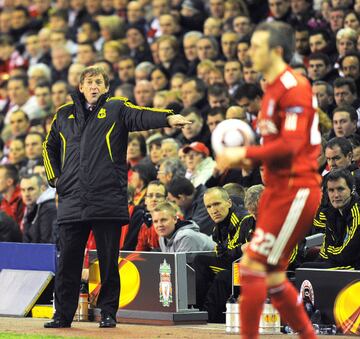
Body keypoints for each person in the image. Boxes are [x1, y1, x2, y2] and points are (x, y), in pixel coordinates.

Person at [42, 66, 190, 329]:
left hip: (106, 197)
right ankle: (62, 314)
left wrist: (168, 118)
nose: (93, 86)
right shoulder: (63, 114)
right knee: (68, 262)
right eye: (88, 82)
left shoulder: (117, 108)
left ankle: (108, 312)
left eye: (98, 82)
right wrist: (56, 179)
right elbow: (48, 146)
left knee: (109, 260)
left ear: (106, 87)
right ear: (80, 87)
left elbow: (141, 116)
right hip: (72, 199)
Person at [216, 22, 321, 339]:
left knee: (250, 267)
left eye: (257, 46)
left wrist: (242, 153)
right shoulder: (271, 88)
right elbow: (276, 145)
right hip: (278, 191)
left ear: (276, 51)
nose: (250, 52)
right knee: (272, 278)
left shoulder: (294, 86)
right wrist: (253, 157)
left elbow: (291, 145)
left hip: (296, 189)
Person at [192, 186, 251, 323]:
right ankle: (197, 309)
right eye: (209, 206)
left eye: (217, 204)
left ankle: (207, 315)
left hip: (247, 269)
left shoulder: (243, 219)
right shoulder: (218, 226)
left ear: (229, 203)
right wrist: (237, 249)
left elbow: (240, 254)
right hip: (232, 264)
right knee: (200, 261)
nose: (213, 210)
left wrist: (236, 250)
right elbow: (222, 253)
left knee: (221, 275)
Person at [303, 169, 360, 270]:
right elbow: (325, 254)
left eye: (340, 189)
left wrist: (331, 251)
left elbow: (347, 255)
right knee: (305, 268)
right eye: (331, 190)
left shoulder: (357, 211)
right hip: (340, 263)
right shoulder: (331, 211)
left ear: (352, 189)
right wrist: (331, 251)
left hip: (355, 267)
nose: (336, 195)